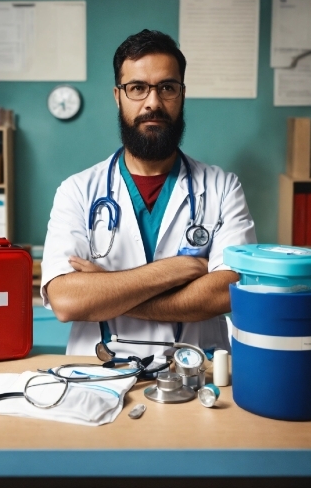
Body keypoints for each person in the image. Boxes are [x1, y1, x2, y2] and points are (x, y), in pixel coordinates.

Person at [41, 29, 256, 361]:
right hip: (102, 373)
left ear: (182, 95)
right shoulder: (77, 191)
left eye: (166, 88)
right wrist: (173, 271)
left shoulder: (222, 187)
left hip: (198, 375)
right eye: (137, 88)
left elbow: (227, 293)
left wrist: (108, 289)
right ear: (118, 96)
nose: (153, 102)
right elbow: (67, 301)